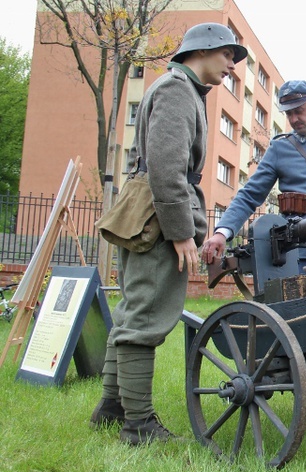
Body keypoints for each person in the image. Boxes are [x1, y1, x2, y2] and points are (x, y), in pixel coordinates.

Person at [89, 23, 248, 445]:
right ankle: (138, 425)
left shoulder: (181, 90)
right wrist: (181, 233)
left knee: (132, 311)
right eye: (228, 55)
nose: (232, 66)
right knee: (146, 316)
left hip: (150, 212)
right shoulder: (178, 90)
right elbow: (165, 168)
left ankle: (111, 408)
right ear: (203, 50)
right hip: (160, 220)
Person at [201, 79, 306, 414]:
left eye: (299, 110)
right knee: (299, 322)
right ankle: (302, 392)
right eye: (288, 113)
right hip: (297, 252)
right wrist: (223, 231)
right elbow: (250, 195)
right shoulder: (281, 148)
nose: (294, 119)